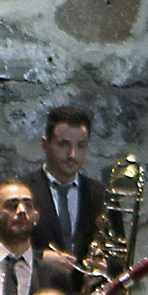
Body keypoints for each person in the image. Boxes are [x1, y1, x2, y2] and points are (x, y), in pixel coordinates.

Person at [28, 107, 100, 258]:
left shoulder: (101, 196)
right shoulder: (23, 190)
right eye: (63, 144)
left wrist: (103, 264)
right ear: (45, 144)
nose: (72, 154)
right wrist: (40, 258)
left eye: (80, 146)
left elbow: (119, 259)